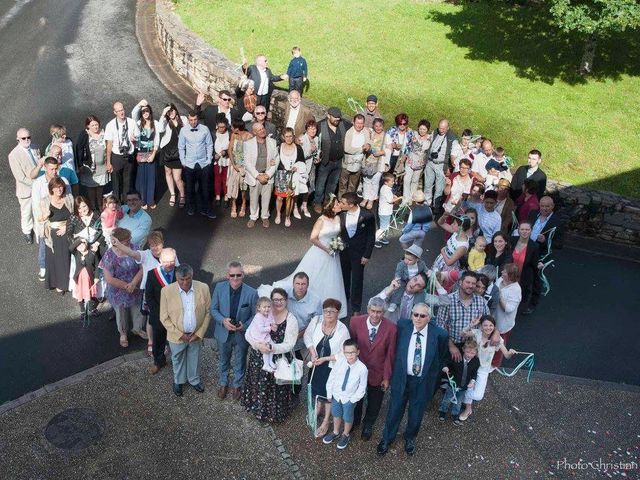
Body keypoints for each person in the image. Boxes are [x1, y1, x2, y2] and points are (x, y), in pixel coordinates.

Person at [377, 303, 448, 456]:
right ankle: (387, 439)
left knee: (416, 413)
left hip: (422, 381)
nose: (418, 318)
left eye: (422, 316)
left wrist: (432, 378)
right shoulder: (403, 326)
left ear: (429, 318)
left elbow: (441, 358)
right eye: (415, 314)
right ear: (411, 315)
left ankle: (410, 438)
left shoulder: (440, 334)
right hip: (402, 378)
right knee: (394, 410)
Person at [259, 196, 348, 317]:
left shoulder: (338, 217)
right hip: (321, 251)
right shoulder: (321, 220)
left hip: (333, 253)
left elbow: (338, 234)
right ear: (331, 207)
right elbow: (313, 238)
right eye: (337, 204)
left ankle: (331, 305)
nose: (339, 206)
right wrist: (327, 250)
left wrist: (337, 244)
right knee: (315, 276)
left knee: (332, 278)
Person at [111, 230, 180, 354]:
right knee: (151, 318)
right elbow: (131, 253)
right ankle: (151, 342)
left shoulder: (170, 254)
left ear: (162, 243)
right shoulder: (146, 255)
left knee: (168, 317)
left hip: (168, 292)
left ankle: (165, 342)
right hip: (150, 293)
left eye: (157, 244)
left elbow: (177, 272)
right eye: (152, 245)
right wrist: (119, 245)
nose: (155, 248)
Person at [242, 288, 299, 422]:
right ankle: (259, 410)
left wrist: (271, 348)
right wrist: (257, 345)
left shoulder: (291, 319)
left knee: (276, 388)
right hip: (259, 357)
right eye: (275, 300)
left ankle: (274, 414)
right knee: (259, 385)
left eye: (281, 300)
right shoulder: (263, 313)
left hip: (279, 358)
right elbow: (248, 333)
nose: (278, 302)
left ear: (286, 301)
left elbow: (290, 344)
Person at [349, 298, 397, 441]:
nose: (376, 315)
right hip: (358, 370)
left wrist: (387, 377)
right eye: (373, 311)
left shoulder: (391, 328)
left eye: (379, 312)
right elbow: (351, 346)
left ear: (384, 312)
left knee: (375, 402)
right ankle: (354, 421)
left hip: (378, 372)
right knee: (357, 398)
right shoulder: (355, 322)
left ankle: (368, 424)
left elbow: (390, 354)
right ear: (368, 310)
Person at [160, 264, 211, 397]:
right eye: (181, 280)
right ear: (176, 278)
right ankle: (179, 380)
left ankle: (194, 380)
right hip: (176, 336)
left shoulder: (203, 288)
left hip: (196, 334)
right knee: (177, 358)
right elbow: (164, 317)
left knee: (195, 357)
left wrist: (199, 333)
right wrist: (179, 334)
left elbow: (208, 312)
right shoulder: (166, 291)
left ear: (192, 276)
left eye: (187, 279)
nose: (184, 282)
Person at [211, 261, 258, 400]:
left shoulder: (252, 292)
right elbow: (213, 309)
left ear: (243, 275)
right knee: (223, 360)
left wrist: (244, 326)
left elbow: (256, 315)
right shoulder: (219, 288)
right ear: (228, 275)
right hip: (223, 333)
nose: (235, 278)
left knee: (240, 361)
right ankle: (223, 383)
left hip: (241, 334)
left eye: (238, 275)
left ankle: (237, 385)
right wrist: (222, 321)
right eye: (232, 275)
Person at [304, 298, 351, 437]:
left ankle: (325, 421)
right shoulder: (317, 320)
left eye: (332, 311)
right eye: (326, 311)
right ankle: (318, 409)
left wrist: (325, 359)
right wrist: (312, 352)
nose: (328, 314)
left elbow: (345, 352)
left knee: (328, 392)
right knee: (315, 386)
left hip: (331, 367)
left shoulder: (343, 330)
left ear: (338, 312)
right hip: (316, 362)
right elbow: (307, 336)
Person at [459, 314, 516, 420]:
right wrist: (471, 324)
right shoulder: (477, 333)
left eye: (491, 325)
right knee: (470, 387)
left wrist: (511, 353)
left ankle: (461, 395)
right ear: (481, 326)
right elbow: (462, 334)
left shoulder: (497, 339)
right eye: (485, 325)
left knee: (478, 395)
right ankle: (468, 409)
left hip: (483, 370)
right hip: (471, 367)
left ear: (494, 327)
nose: (488, 328)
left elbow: (507, 355)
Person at [99, 227, 146, 348]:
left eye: (129, 238)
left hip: (135, 286)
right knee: (121, 312)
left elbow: (142, 268)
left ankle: (137, 328)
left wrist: (134, 283)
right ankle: (123, 333)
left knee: (138, 308)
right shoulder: (109, 255)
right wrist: (127, 286)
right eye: (126, 240)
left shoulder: (134, 248)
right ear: (117, 242)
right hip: (118, 290)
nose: (130, 241)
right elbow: (109, 278)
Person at [435, 271, 492, 363]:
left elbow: (489, 322)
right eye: (468, 282)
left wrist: (496, 333)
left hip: (473, 346)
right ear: (460, 282)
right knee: (448, 372)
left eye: (473, 283)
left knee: (469, 374)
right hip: (453, 343)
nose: (470, 286)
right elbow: (441, 326)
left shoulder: (481, 302)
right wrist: (451, 346)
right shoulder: (448, 300)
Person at [322, 339, 368, 450]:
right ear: (343, 352)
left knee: (348, 417)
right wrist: (329, 393)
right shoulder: (340, 362)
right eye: (347, 352)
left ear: (358, 352)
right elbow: (332, 377)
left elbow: (362, 387)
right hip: (336, 395)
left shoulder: (362, 368)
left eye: (352, 352)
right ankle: (336, 431)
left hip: (349, 398)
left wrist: (353, 399)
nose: (350, 355)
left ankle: (346, 434)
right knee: (336, 414)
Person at [31, 158, 72, 280]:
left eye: (56, 168)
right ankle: (44, 266)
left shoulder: (63, 180)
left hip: (62, 217)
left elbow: (69, 198)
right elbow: (36, 204)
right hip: (46, 219)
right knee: (45, 245)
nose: (54, 172)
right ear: (45, 168)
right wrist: (40, 221)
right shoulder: (38, 183)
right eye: (51, 169)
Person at [339, 192, 376, 316]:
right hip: (343, 252)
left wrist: (367, 255)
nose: (340, 204)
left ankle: (356, 309)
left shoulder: (367, 215)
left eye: (343, 203)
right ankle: (344, 303)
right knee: (343, 279)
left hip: (359, 254)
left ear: (351, 205)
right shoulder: (340, 213)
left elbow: (371, 237)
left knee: (357, 281)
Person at [144, 248, 177, 375]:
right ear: (160, 260)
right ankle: (158, 362)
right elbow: (149, 297)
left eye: (172, 261)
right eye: (166, 261)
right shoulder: (152, 274)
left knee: (177, 340)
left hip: (176, 315)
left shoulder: (180, 272)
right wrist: (162, 313)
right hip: (158, 315)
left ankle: (178, 363)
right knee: (158, 341)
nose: (169, 264)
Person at [313, 107, 351, 213]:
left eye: (339, 118)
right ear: (328, 115)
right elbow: (310, 134)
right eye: (335, 117)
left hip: (338, 161)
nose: (337, 120)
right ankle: (317, 202)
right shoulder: (320, 125)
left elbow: (356, 128)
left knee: (332, 184)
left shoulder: (343, 124)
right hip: (325, 162)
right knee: (321, 183)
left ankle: (327, 201)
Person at [178, 111, 215, 218]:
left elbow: (209, 145)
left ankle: (206, 209)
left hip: (203, 163)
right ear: (188, 120)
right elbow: (181, 147)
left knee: (205, 188)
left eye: (195, 120)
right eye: (191, 120)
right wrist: (183, 161)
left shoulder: (205, 129)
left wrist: (209, 160)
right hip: (189, 164)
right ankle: (191, 207)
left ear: (198, 119)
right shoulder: (183, 130)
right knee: (189, 188)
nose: (193, 122)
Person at [39, 176, 74, 293]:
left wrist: (66, 226)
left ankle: (65, 284)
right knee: (55, 259)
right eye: (57, 187)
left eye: (61, 187)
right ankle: (57, 282)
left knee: (66, 258)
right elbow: (40, 219)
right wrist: (45, 216)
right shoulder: (44, 201)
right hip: (53, 235)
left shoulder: (69, 198)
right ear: (51, 189)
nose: (59, 189)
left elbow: (74, 216)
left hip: (67, 232)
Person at [8, 127, 40, 243]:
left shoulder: (35, 147)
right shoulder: (13, 155)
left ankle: (38, 233)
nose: (27, 140)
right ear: (18, 139)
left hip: (38, 188)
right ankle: (27, 231)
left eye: (28, 137)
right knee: (27, 212)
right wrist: (35, 184)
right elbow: (20, 177)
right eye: (23, 138)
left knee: (38, 210)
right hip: (26, 190)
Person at [244, 122, 279, 228]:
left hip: (267, 175)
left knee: (266, 198)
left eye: (263, 128)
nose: (262, 130)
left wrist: (268, 175)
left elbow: (276, 159)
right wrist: (258, 176)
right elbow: (247, 162)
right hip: (255, 176)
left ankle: (265, 216)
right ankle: (253, 217)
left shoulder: (272, 142)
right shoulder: (248, 144)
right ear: (254, 132)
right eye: (259, 130)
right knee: (253, 199)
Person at [438, 338, 479, 425]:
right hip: (453, 383)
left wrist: (473, 381)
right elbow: (447, 362)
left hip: (463, 386)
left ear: (476, 353)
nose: (469, 355)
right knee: (447, 399)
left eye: (472, 353)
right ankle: (442, 411)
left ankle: (455, 414)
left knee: (459, 401)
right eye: (468, 352)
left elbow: (475, 373)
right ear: (463, 350)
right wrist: (445, 367)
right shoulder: (457, 358)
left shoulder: (476, 361)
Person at [74, 115, 108, 211]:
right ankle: (92, 204)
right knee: (91, 187)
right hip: (89, 166)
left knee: (100, 186)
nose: (95, 127)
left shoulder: (103, 133)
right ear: (88, 126)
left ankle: (100, 203)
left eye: (96, 124)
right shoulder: (84, 134)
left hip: (101, 165)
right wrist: (80, 165)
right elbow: (79, 149)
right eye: (92, 125)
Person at [491, 263, 523, 367]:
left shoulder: (516, 290)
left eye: (504, 272)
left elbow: (508, 309)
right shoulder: (501, 279)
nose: (502, 272)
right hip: (493, 317)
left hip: (502, 323)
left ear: (510, 276)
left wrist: (499, 295)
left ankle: (495, 365)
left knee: (499, 346)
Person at [105, 101, 137, 202]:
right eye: (118, 111)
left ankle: (126, 205)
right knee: (116, 183)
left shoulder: (132, 122)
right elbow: (109, 145)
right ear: (115, 112)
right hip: (117, 157)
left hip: (129, 155)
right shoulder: (110, 125)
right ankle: (117, 205)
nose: (121, 113)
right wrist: (109, 162)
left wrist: (135, 140)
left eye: (122, 110)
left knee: (127, 182)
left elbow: (137, 138)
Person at [274, 127, 306, 226]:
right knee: (280, 198)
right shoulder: (279, 147)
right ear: (283, 137)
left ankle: (287, 216)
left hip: (293, 176)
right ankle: (278, 214)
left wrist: (297, 167)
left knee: (290, 198)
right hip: (281, 175)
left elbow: (302, 162)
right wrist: (272, 161)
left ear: (293, 136)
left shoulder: (298, 148)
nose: (288, 138)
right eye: (286, 136)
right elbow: (273, 159)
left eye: (290, 136)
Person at [158, 103, 187, 208]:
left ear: (176, 110)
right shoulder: (165, 122)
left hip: (179, 152)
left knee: (177, 177)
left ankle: (183, 195)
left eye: (172, 110)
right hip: (167, 151)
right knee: (168, 172)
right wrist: (162, 114)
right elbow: (160, 129)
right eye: (168, 112)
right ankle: (173, 194)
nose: (171, 113)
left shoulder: (183, 119)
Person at [132, 102, 160, 209]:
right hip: (141, 152)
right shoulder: (138, 123)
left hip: (151, 152)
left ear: (150, 111)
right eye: (143, 111)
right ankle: (143, 201)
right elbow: (133, 113)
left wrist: (154, 154)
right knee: (141, 177)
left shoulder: (155, 123)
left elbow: (157, 139)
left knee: (151, 177)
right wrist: (139, 104)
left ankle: (150, 200)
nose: (145, 113)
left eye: (147, 111)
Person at [424, 119, 458, 208]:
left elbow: (454, 152)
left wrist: (451, 164)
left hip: (441, 165)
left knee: (439, 188)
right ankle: (427, 203)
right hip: (430, 162)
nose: (441, 130)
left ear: (448, 128)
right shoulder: (435, 132)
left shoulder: (452, 138)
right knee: (428, 184)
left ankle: (436, 207)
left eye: (443, 129)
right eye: (440, 128)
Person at [510, 222, 541, 315]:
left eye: (527, 229)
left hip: (523, 276)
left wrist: (539, 265)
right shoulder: (512, 240)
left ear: (531, 231)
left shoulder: (534, 246)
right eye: (522, 229)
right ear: (518, 230)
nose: (524, 232)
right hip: (509, 274)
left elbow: (534, 265)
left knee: (519, 299)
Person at [339, 114, 371, 198]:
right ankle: (341, 202)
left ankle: (349, 202)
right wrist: (361, 149)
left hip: (359, 163)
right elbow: (347, 149)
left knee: (352, 186)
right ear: (353, 122)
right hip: (347, 163)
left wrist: (368, 145)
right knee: (343, 184)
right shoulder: (349, 132)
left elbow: (368, 143)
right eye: (357, 123)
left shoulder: (365, 132)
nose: (359, 125)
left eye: (361, 123)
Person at [388, 245, 427, 312]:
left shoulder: (421, 264)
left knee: (420, 292)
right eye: (405, 258)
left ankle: (417, 307)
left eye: (410, 260)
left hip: (414, 279)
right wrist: (397, 278)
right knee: (399, 289)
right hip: (403, 280)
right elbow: (398, 273)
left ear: (417, 259)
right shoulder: (401, 264)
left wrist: (428, 272)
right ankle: (394, 303)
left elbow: (426, 270)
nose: (406, 261)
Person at [227, 119, 253, 218]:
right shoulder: (234, 135)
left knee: (243, 188)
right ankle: (233, 205)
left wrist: (244, 167)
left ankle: (243, 204)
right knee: (233, 185)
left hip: (245, 167)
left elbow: (251, 154)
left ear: (237, 128)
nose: (231, 128)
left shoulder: (249, 136)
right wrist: (234, 165)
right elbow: (230, 150)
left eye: (232, 127)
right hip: (235, 166)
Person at [69, 237, 99, 323]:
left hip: (90, 278)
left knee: (91, 293)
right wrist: (80, 240)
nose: (80, 246)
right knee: (80, 294)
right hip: (80, 279)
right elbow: (70, 248)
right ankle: (82, 311)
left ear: (87, 244)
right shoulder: (76, 253)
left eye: (83, 243)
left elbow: (97, 265)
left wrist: (97, 276)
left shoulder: (92, 253)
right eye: (78, 245)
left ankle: (92, 308)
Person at [244, 297, 277, 372]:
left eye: (268, 307)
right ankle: (266, 365)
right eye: (264, 307)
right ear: (259, 308)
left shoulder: (269, 314)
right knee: (266, 348)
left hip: (265, 335)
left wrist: (273, 324)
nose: (267, 309)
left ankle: (270, 361)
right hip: (258, 336)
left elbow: (272, 320)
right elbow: (261, 329)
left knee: (272, 345)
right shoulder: (258, 316)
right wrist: (270, 328)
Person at [361, 118, 387, 209]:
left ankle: (371, 199)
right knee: (366, 180)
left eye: (380, 126)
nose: (378, 128)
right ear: (373, 126)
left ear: (383, 126)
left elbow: (389, 148)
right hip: (368, 160)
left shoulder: (386, 136)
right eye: (376, 126)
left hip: (379, 162)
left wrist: (382, 152)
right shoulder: (370, 133)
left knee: (375, 182)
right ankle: (365, 198)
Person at [403, 119, 430, 205]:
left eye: (424, 129)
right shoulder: (414, 133)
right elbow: (406, 129)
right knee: (406, 180)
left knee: (415, 181)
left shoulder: (429, 139)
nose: (422, 131)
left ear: (427, 130)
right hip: (410, 161)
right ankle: (405, 199)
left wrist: (416, 141)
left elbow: (422, 148)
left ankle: (411, 198)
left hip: (419, 164)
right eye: (420, 128)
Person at [298, 119, 321, 217]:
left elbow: (318, 151)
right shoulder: (302, 139)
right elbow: (301, 155)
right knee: (300, 186)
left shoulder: (316, 138)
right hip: (303, 167)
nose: (312, 130)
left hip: (312, 167)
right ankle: (295, 206)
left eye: (314, 128)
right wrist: (311, 152)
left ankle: (304, 205)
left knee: (309, 187)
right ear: (306, 129)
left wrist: (317, 158)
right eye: (310, 128)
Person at [375, 172, 400, 248]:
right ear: (386, 182)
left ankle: (380, 238)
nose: (393, 183)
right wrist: (399, 197)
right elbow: (390, 200)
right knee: (383, 228)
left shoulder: (386, 188)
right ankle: (376, 239)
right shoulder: (386, 189)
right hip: (385, 212)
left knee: (384, 226)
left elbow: (389, 197)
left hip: (385, 211)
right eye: (392, 181)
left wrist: (393, 196)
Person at [212, 115, 231, 208]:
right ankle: (218, 196)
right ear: (217, 126)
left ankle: (226, 197)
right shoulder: (213, 134)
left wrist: (226, 152)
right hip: (217, 161)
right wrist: (213, 155)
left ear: (226, 126)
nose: (221, 129)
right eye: (219, 127)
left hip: (227, 160)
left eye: (223, 127)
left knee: (226, 179)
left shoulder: (230, 134)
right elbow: (209, 146)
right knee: (217, 178)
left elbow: (233, 148)